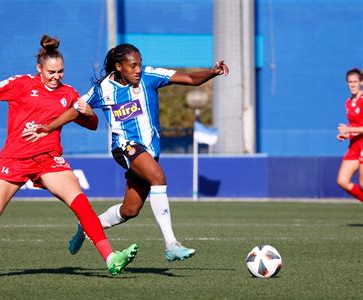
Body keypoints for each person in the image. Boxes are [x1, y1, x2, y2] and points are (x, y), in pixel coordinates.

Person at [0, 35, 139, 280]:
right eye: (51, 72)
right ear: (39, 69)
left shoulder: (69, 93)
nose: (57, 76)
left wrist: (89, 114)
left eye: (61, 71)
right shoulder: (20, 84)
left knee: (80, 203)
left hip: (49, 160)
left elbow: (91, 124)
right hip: (14, 159)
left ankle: (111, 258)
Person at [22, 43, 229, 262]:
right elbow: (75, 110)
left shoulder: (150, 76)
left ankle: (86, 227)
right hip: (124, 147)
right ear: (119, 67)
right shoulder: (103, 89)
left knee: (130, 210)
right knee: (158, 177)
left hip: (148, 152)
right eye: (133, 65)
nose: (138, 69)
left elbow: (189, 79)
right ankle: (171, 244)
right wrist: (48, 127)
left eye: (139, 63)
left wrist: (212, 72)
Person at [336, 68, 363, 201]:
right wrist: (346, 135)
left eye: (355, 81)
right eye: (350, 82)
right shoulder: (348, 102)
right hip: (354, 146)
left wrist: (349, 130)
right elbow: (354, 126)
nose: (352, 84)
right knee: (342, 180)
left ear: (361, 82)